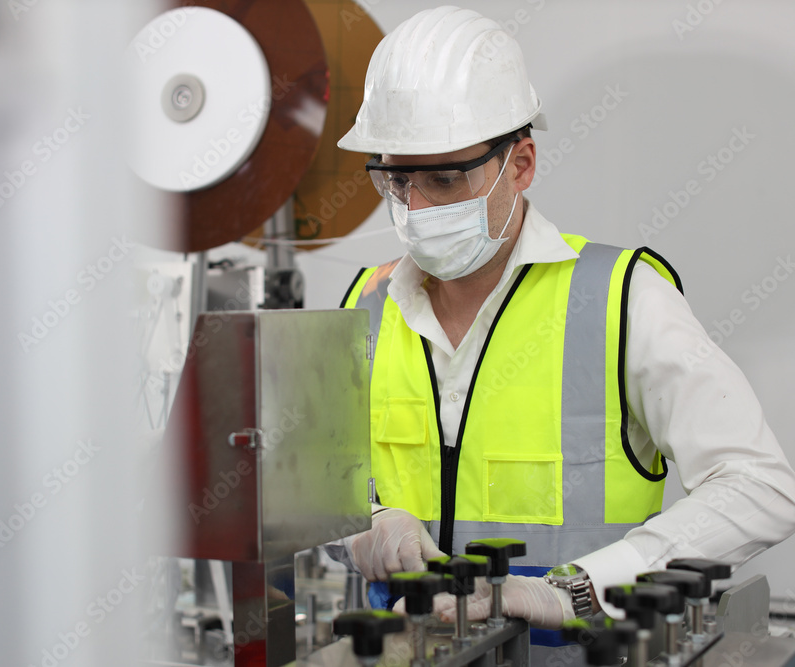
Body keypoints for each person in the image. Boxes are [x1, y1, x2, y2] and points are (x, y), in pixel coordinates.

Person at [328, 4, 795, 653]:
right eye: (395, 180)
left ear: (520, 164)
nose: (417, 207)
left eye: (445, 179)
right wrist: (366, 524)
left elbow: (760, 487)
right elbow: (311, 489)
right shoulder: (366, 304)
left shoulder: (620, 298)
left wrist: (576, 588)